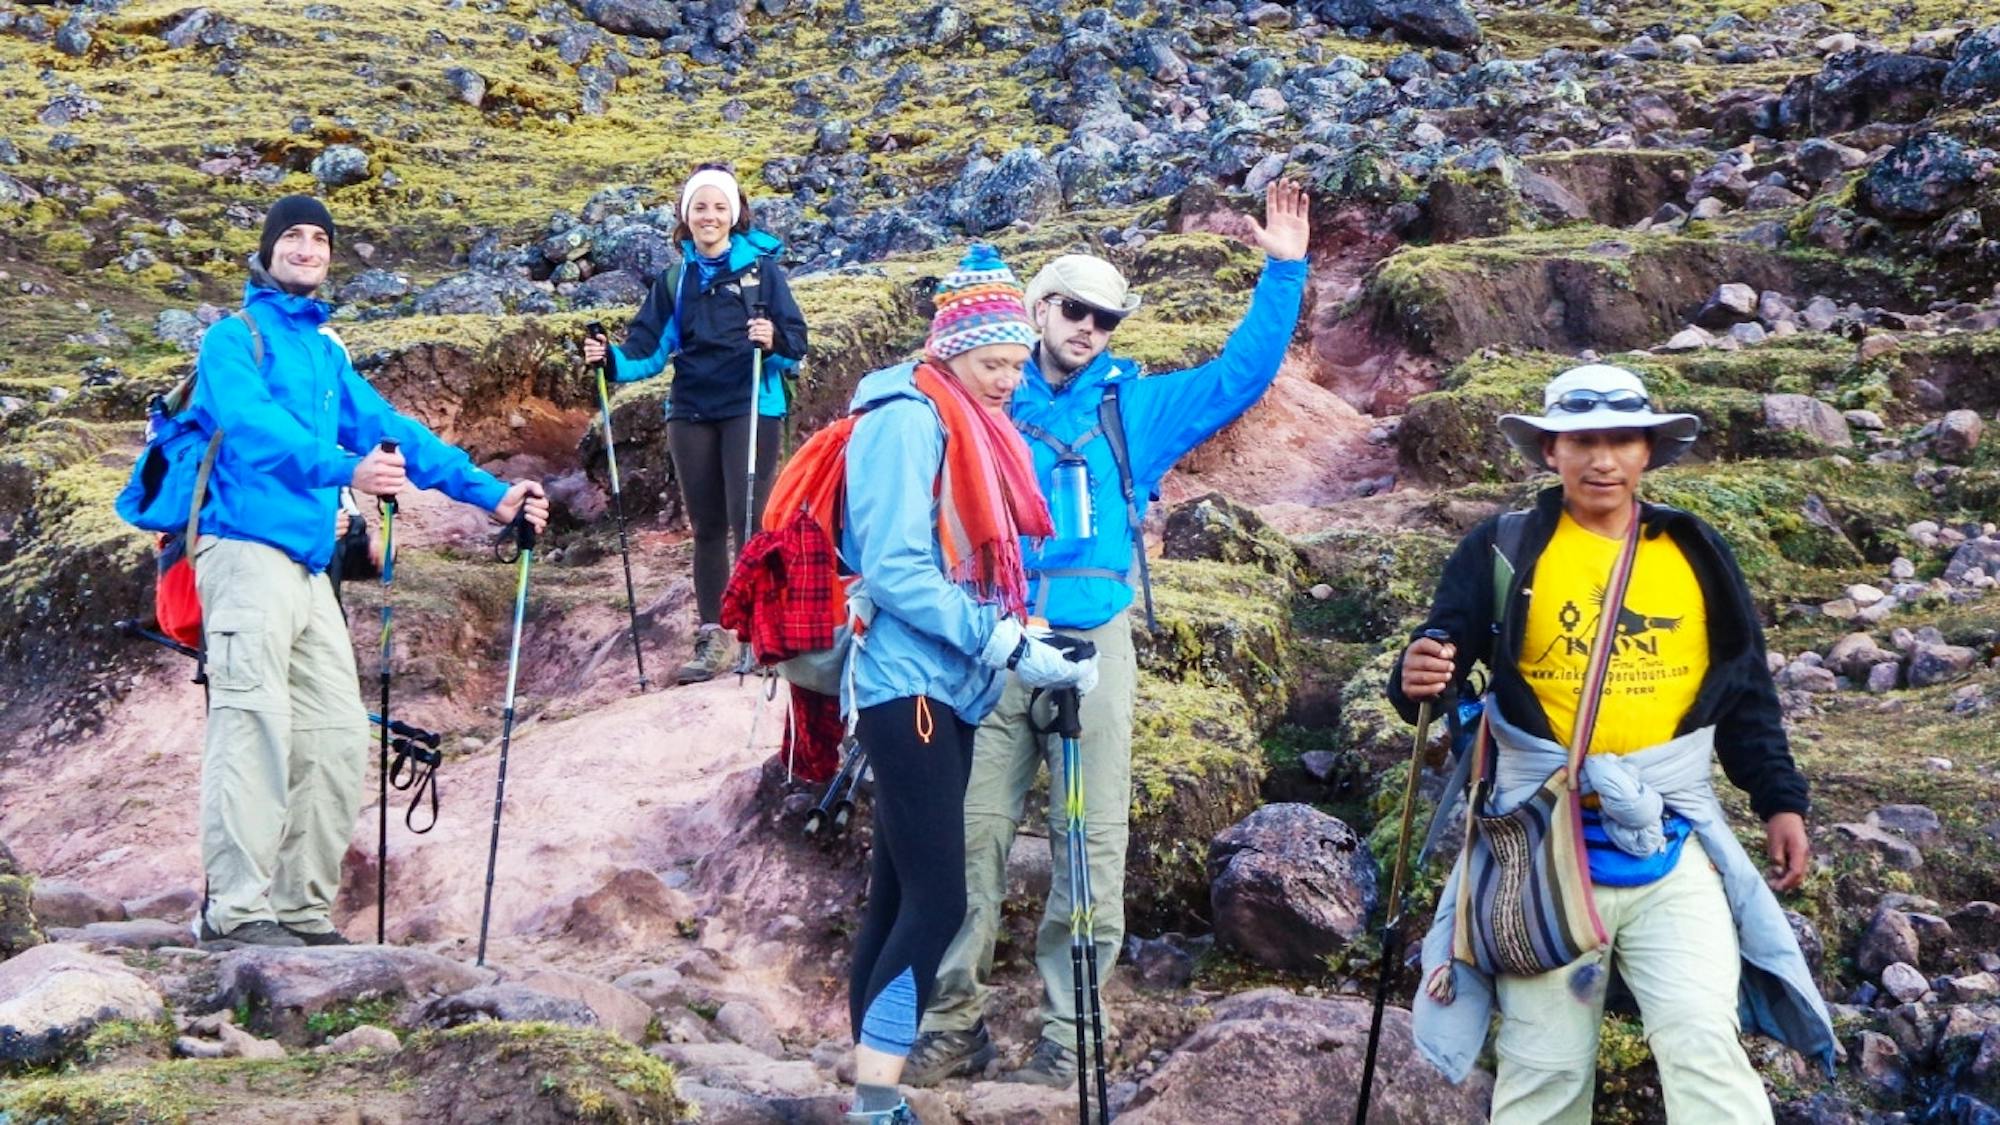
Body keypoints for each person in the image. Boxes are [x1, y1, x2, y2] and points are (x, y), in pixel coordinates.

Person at [905, 180, 1313, 1088]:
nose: (1090, 328)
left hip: (1097, 647)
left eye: (1107, 318)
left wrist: (1283, 270)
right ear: (1037, 307)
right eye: (1074, 310)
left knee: (1093, 844)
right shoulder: (979, 399)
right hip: (995, 643)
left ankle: (1070, 1028)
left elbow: (1241, 374)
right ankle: (949, 1020)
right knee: (969, 834)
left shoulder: (1138, 409)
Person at [1389, 364, 1834, 1121]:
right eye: (1582, 440)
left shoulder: (1695, 551)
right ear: (1549, 452)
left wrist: (1779, 800)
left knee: (1703, 1040)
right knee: (1544, 1070)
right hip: (1539, 842)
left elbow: (1745, 688)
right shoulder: (1500, 548)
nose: (1603, 459)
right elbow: (1438, 666)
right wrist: (1417, 670)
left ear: (1648, 451)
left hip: (1670, 833)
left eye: (1621, 439)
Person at [189, 194, 549, 948]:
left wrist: (492, 496)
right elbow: (254, 431)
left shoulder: (324, 354)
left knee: (335, 732)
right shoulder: (232, 340)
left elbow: (397, 434)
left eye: (320, 238)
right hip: (243, 546)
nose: (309, 247)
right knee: (251, 723)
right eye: (293, 235)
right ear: (267, 250)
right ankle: (236, 912)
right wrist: (344, 466)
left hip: (310, 567)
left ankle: (299, 909)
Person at [837, 245, 1097, 1125]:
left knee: (900, 891)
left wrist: (1010, 636)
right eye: (996, 363)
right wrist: (1005, 643)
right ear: (951, 350)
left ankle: (870, 1083)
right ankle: (876, 1097)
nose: (1008, 380)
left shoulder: (962, 420)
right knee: (941, 896)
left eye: (1018, 364)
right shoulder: (909, 418)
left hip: (938, 686)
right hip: (904, 683)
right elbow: (899, 569)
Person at [583, 164, 809, 685]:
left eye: (719, 206)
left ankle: (758, 637)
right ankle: (714, 637)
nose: (710, 216)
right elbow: (646, 351)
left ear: (735, 214)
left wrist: (771, 341)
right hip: (689, 410)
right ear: (686, 217)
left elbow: (796, 344)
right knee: (707, 528)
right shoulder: (675, 280)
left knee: (748, 523)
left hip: (752, 405)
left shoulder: (762, 273)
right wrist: (609, 359)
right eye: (699, 207)